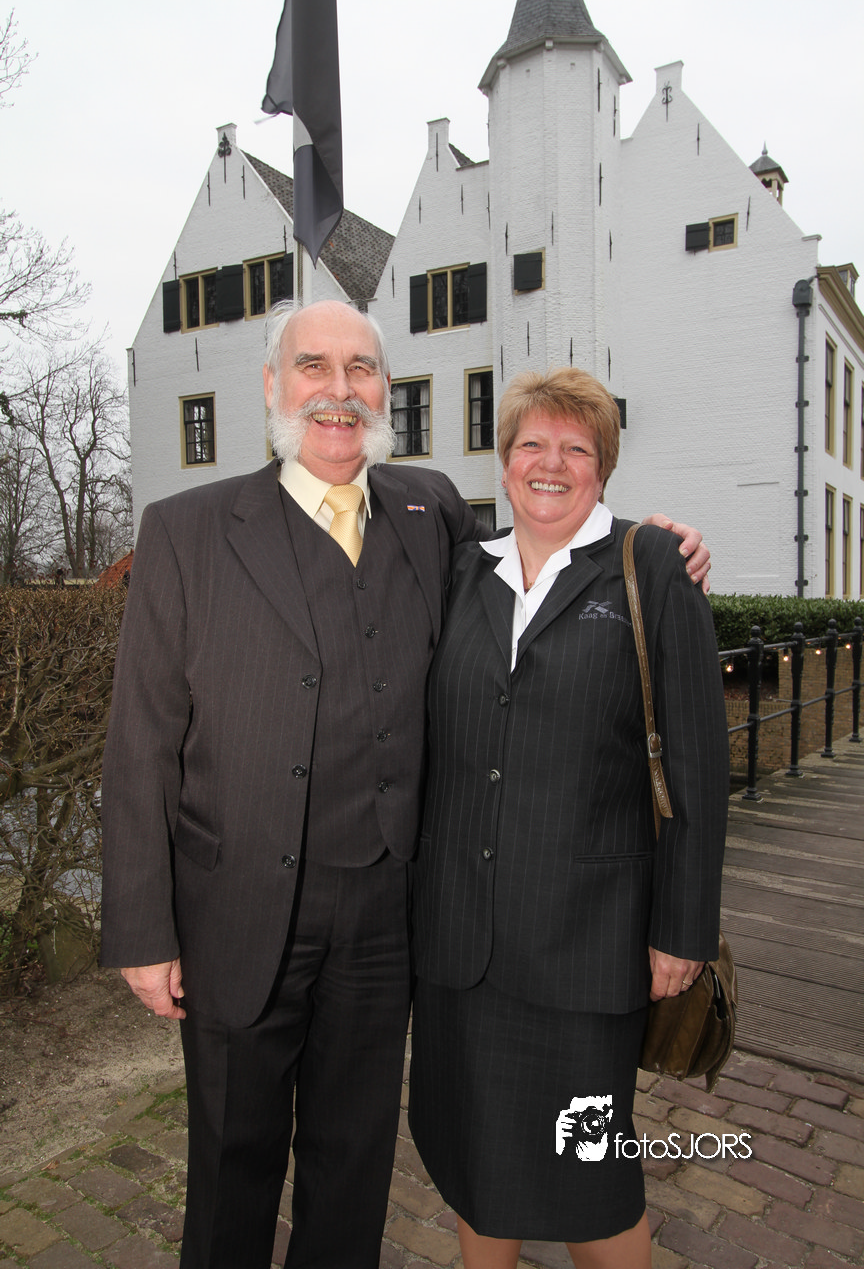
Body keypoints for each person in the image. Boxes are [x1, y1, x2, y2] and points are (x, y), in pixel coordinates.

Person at [100, 301, 711, 1269]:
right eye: (314, 366)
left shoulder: (430, 514)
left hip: (388, 924)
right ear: (273, 385)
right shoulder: (185, 531)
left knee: (353, 1170)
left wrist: (655, 546)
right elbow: (139, 741)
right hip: (238, 914)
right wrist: (141, 930)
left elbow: (549, 552)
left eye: (361, 370)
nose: (338, 391)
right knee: (229, 1169)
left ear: (386, 389)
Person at [409, 367, 729, 1269]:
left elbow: (697, 766)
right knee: (475, 1162)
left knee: (591, 1182)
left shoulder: (650, 565)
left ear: (604, 466)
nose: (550, 464)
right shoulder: (459, 571)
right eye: (531, 445)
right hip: (459, 945)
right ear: (505, 460)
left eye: (575, 448)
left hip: (585, 947)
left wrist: (683, 928)